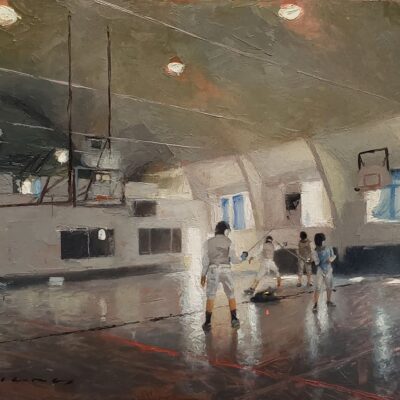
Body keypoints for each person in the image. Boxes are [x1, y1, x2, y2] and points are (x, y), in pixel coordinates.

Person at [201, 221, 248, 331]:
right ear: (225, 230)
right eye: (228, 231)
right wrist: (243, 257)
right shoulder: (229, 242)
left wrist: (203, 275)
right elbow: (235, 260)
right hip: (226, 270)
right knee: (231, 294)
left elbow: (205, 261)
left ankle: (207, 323)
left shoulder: (208, 243)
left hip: (213, 270)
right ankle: (234, 319)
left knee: (211, 295)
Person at [312, 233, 336, 312]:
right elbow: (317, 263)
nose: (322, 243)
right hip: (320, 271)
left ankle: (328, 301)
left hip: (329, 270)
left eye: (322, 241)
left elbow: (334, 256)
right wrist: (314, 260)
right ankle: (315, 304)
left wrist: (331, 259)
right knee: (317, 288)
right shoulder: (315, 251)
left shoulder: (329, 247)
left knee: (329, 286)